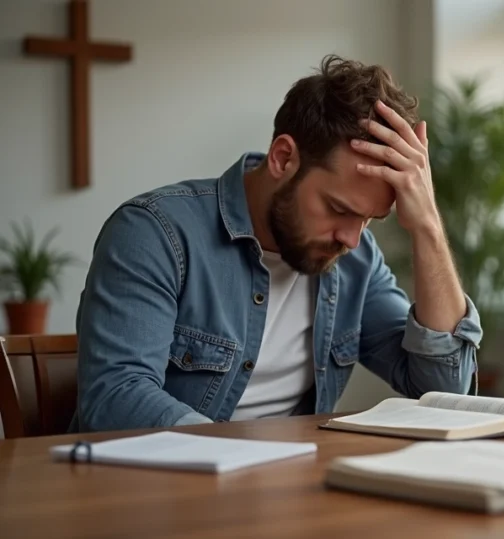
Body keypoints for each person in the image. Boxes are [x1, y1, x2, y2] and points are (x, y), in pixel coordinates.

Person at [70, 55, 482, 432]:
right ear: (283, 158)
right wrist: (245, 465)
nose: (351, 239)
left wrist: (427, 226)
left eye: (368, 220)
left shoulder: (356, 260)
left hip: (293, 496)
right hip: (159, 496)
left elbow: (442, 392)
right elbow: (115, 396)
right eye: (338, 208)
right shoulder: (156, 233)